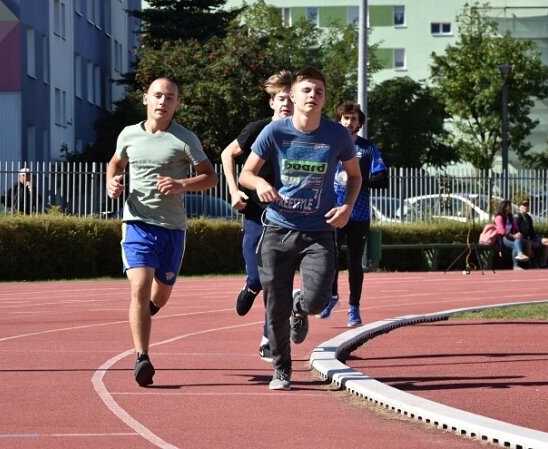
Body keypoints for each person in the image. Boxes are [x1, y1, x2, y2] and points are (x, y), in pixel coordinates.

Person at [239, 66, 361, 391]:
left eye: (318, 91)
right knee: (273, 305)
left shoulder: (337, 135)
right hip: (278, 229)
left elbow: (355, 175)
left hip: (319, 231)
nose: (312, 96)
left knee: (320, 299)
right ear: (292, 96)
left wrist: (347, 206)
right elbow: (245, 173)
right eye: (306, 90)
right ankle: (281, 369)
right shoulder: (276, 132)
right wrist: (260, 182)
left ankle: (302, 306)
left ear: (324, 98)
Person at [106, 77, 218, 387]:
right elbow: (115, 163)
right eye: (157, 95)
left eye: (170, 97)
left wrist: (182, 184)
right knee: (139, 288)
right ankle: (142, 357)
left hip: (172, 228)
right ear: (145, 98)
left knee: (161, 294)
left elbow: (210, 177)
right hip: (137, 223)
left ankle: (148, 311)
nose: (162, 102)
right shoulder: (128, 134)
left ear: (177, 104)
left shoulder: (184, 139)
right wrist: (112, 183)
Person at [220, 71, 294, 362]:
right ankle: (251, 285)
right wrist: (233, 191)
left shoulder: (303, 133)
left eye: (291, 98)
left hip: (286, 215)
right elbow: (228, 155)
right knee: (258, 274)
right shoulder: (257, 129)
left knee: (277, 278)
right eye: (281, 99)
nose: (286, 104)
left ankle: (268, 337)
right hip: (253, 211)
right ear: (272, 102)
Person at [318, 102, 388, 328]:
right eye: (345, 118)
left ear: (360, 122)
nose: (349, 123)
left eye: (354, 119)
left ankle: (354, 308)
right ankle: (332, 297)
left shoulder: (368, 149)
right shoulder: (329, 146)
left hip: (358, 214)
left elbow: (382, 179)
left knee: (355, 262)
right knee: (330, 258)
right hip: (333, 212)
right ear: (338, 120)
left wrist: (357, 181)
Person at [515, 199, 548, 268]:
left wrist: (535, 240)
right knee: (529, 244)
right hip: (523, 240)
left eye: (527, 205)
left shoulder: (528, 217)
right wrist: (530, 241)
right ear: (520, 207)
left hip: (531, 239)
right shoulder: (517, 217)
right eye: (524, 205)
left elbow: (532, 232)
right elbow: (516, 231)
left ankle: (543, 263)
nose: (526, 207)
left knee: (547, 241)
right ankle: (530, 265)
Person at [494, 199, 529, 271]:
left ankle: (520, 256)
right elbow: (501, 231)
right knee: (515, 245)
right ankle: (516, 264)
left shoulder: (510, 217)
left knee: (519, 239)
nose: (509, 208)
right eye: (507, 206)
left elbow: (516, 228)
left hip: (511, 237)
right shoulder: (499, 217)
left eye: (510, 206)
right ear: (503, 207)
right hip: (502, 239)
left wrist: (518, 233)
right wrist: (513, 236)